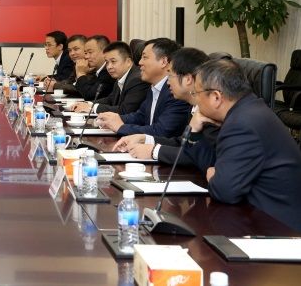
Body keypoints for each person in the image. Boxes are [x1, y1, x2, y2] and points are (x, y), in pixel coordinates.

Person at [195, 59, 301, 231]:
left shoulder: (241, 124)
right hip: (260, 216)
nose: (196, 101)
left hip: (277, 229)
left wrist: (213, 175)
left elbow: (224, 191)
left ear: (216, 97)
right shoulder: (251, 109)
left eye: (196, 93)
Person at [111, 47, 218, 171]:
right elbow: (181, 142)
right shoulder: (193, 107)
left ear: (188, 79)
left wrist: (154, 151)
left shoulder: (210, 111)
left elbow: (202, 156)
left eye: (170, 75)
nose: (167, 82)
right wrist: (144, 138)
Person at [97, 38, 190, 138]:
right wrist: (116, 118)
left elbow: (161, 131)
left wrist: (121, 127)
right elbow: (140, 116)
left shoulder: (176, 92)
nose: (140, 62)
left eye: (145, 57)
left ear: (163, 62)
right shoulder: (154, 87)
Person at [71, 41, 148, 114]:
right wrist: (88, 103)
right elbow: (110, 99)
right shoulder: (121, 77)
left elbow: (125, 110)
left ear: (128, 62)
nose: (109, 67)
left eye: (113, 61)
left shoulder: (137, 80)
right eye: (107, 62)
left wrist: (92, 108)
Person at [74, 35, 115, 100]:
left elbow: (90, 95)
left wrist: (81, 74)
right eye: (85, 53)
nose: (86, 57)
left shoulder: (109, 71)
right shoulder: (94, 70)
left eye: (90, 52)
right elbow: (80, 91)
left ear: (104, 52)